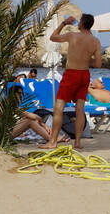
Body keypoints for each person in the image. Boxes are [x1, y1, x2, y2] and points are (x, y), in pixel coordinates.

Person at [42, 10, 101, 149]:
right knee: (80, 109)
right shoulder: (96, 41)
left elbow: (53, 37)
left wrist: (64, 23)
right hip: (84, 75)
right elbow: (98, 64)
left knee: (59, 108)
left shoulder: (72, 35)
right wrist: (86, 61)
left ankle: (53, 142)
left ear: (81, 23)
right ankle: (78, 142)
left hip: (71, 74)